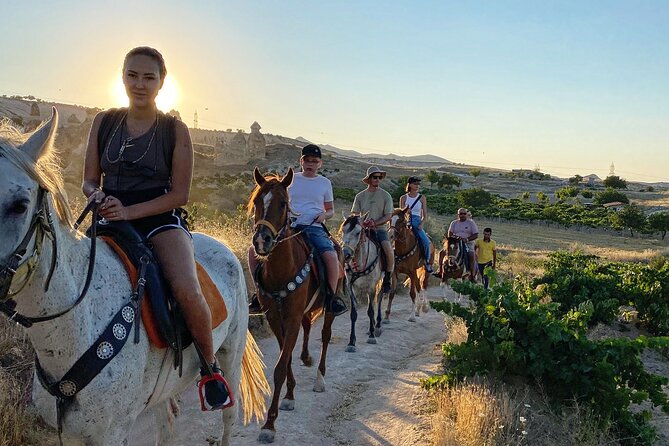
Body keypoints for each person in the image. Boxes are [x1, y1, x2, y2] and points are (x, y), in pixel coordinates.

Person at [82, 46, 230, 410]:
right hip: (110, 213)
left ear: (162, 82)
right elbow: (87, 181)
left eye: (149, 77)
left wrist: (129, 211)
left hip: (159, 218)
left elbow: (179, 194)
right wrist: (99, 196)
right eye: (133, 75)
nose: (140, 84)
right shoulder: (103, 122)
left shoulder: (174, 130)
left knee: (185, 286)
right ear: (122, 77)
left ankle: (210, 370)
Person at [247, 144, 347, 316]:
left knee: (330, 256)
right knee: (252, 253)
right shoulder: (291, 182)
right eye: (307, 160)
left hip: (314, 227)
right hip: (290, 226)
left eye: (314, 161)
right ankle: (259, 294)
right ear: (301, 161)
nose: (310, 164)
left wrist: (324, 216)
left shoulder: (324, 183)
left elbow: (330, 210)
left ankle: (331, 298)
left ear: (320, 164)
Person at [351, 166, 395, 293]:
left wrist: (374, 223)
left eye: (379, 177)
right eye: (374, 177)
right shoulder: (360, 196)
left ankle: (387, 279)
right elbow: (355, 214)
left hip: (380, 229)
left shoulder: (386, 196)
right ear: (369, 179)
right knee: (348, 247)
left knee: (388, 250)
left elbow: (388, 216)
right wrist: (362, 223)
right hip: (362, 229)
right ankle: (347, 275)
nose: (377, 179)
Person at [399, 176, 432, 273]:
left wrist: (421, 224)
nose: (417, 186)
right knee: (394, 238)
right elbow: (401, 214)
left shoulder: (422, 198)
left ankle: (427, 262)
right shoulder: (403, 198)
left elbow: (425, 215)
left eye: (418, 184)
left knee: (426, 241)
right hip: (405, 222)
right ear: (409, 185)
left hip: (417, 223)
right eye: (415, 184)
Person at [435, 207, 478, 282]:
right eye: (461, 214)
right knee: (442, 252)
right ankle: (440, 270)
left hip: (467, 242)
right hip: (455, 242)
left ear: (466, 214)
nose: (463, 215)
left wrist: (467, 239)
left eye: (464, 214)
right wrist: (453, 238)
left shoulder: (471, 223)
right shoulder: (454, 223)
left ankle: (472, 274)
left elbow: (476, 234)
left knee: (471, 254)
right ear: (458, 215)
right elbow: (450, 233)